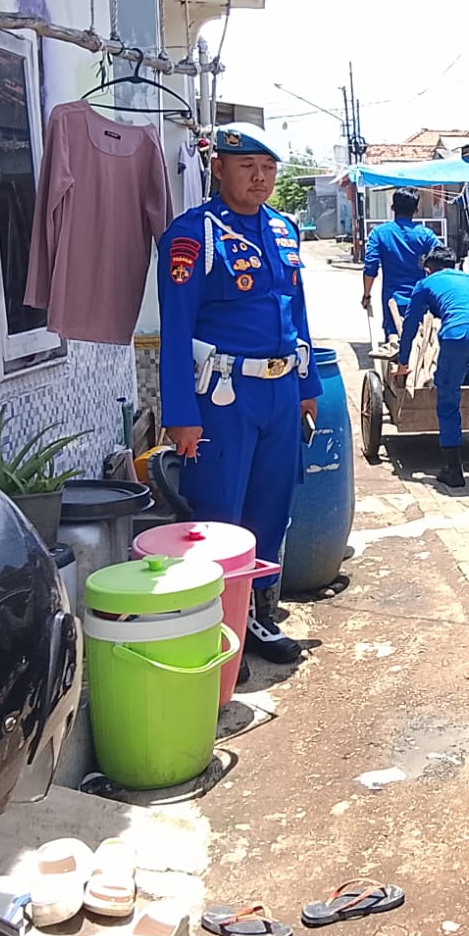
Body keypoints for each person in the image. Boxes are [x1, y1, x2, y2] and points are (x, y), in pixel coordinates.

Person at [158, 123, 322, 665]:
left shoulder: (282, 229)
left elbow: (295, 313)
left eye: (269, 168)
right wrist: (181, 414)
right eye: (247, 166)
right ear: (219, 168)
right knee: (218, 512)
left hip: (279, 394)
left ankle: (255, 615)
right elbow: (176, 329)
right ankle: (211, 627)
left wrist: (307, 386)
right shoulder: (192, 235)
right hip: (224, 398)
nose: (260, 177)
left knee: (271, 508)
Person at [393, 246, 469, 501]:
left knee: (448, 400)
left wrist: (403, 362)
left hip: (456, 335)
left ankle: (453, 469)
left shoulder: (426, 283)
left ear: (428, 268)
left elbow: (409, 325)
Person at [363, 187, 440, 342]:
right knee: (422, 343)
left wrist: (366, 295)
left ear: (393, 208)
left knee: (394, 342)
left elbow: (370, 267)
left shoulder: (379, 233)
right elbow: (443, 260)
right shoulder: (426, 235)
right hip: (422, 301)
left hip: (393, 300)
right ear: (416, 210)